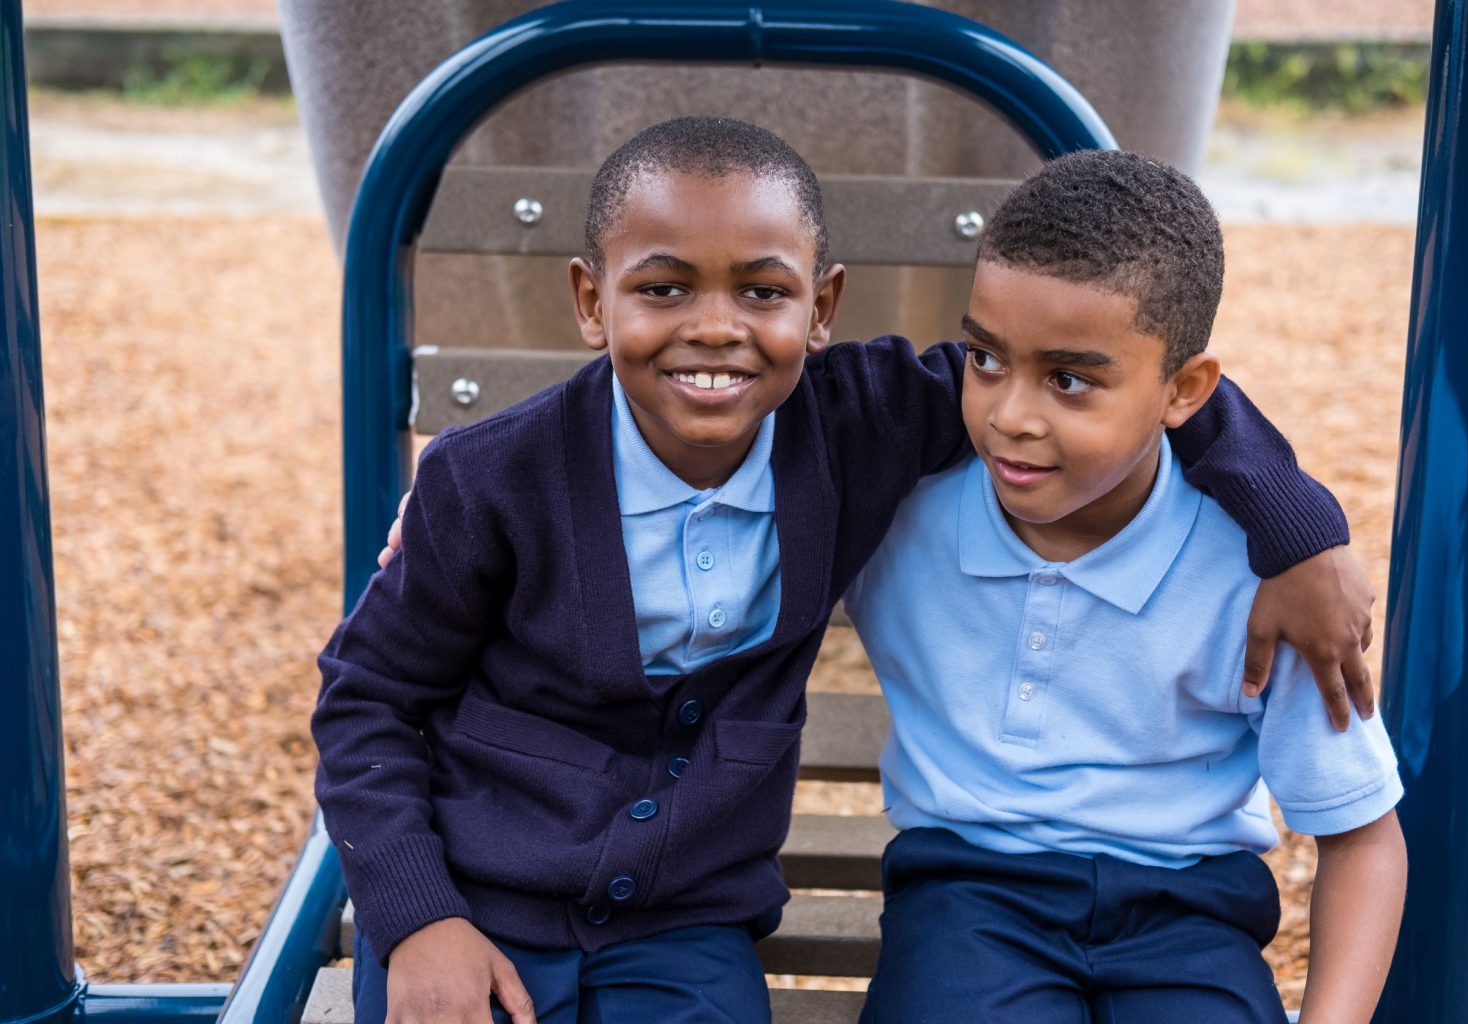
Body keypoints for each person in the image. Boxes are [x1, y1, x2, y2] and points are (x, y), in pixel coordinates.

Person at [335, 117, 1368, 1024]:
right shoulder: (486, 482)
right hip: (473, 899)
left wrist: (1297, 528)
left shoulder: (860, 425)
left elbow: (1125, 376)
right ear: (589, 300)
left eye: (763, 291)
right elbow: (368, 699)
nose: (713, 327)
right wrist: (419, 918)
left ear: (821, 307)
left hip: (682, 925)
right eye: (662, 287)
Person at [844, 150, 1406, 1024]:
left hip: (1191, 918)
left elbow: (1362, 833)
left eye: (1070, 380)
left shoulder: (1265, 575)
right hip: (969, 900)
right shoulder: (896, 509)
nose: (1011, 415)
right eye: (986, 358)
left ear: (1184, 390)